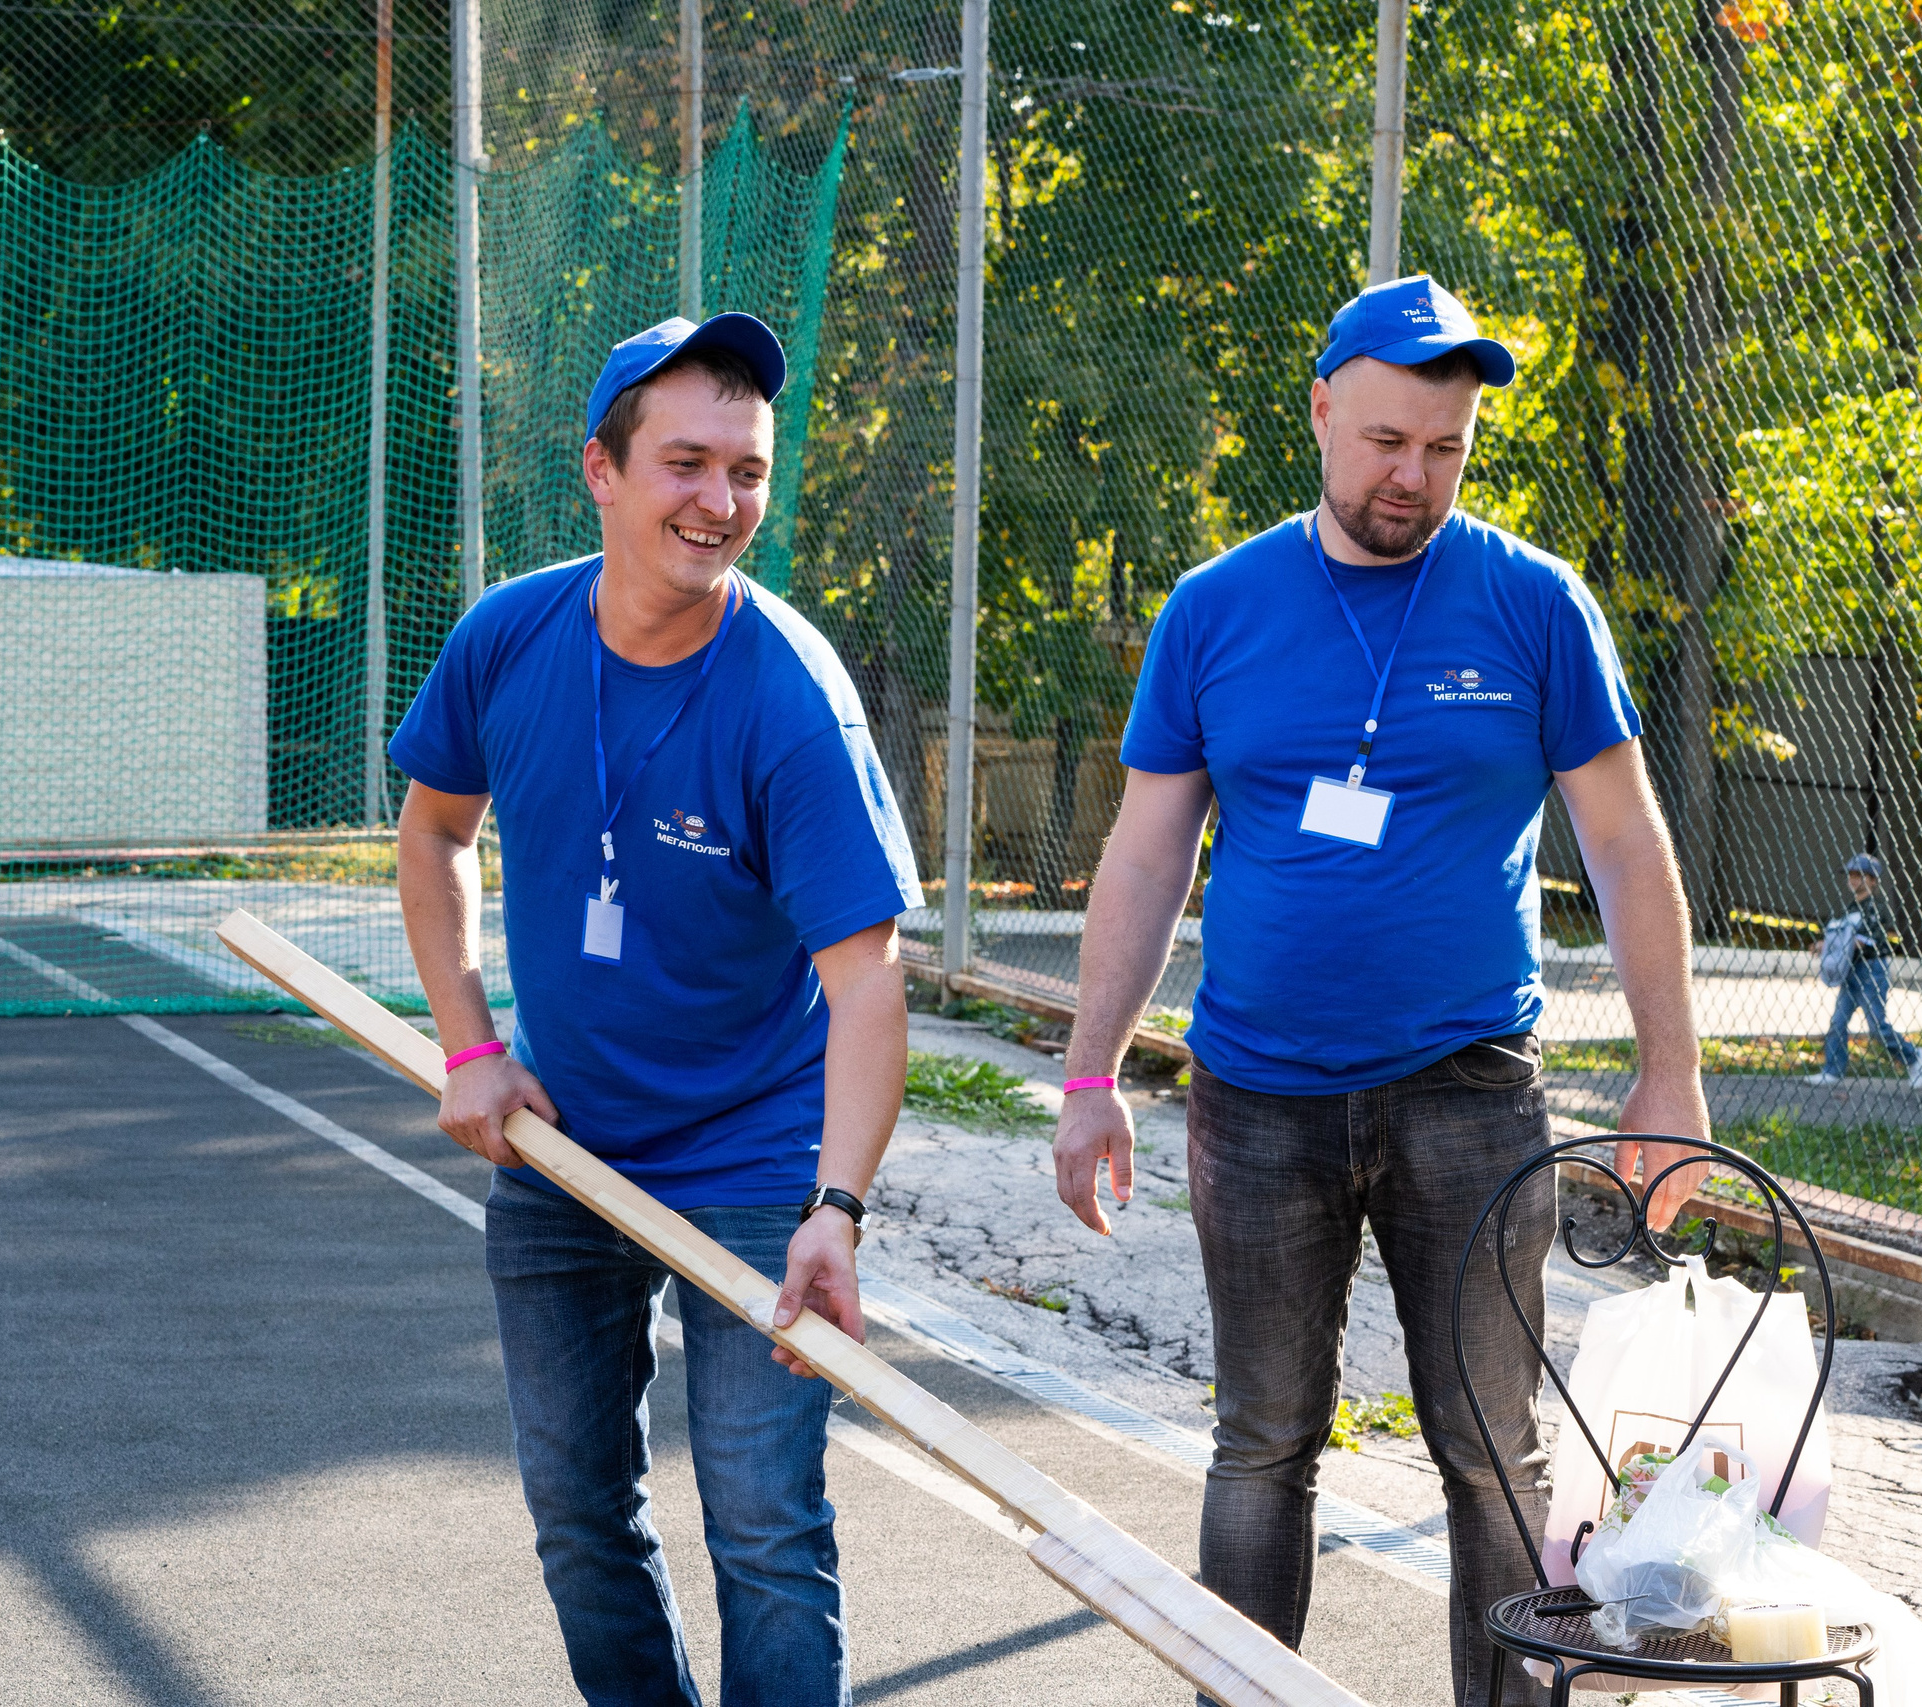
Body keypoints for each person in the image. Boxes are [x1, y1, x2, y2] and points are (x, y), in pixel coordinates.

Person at [1049, 274, 1709, 1707]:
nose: (1415, 474)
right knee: (1264, 1436)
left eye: (1448, 446)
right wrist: (1093, 1073)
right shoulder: (1216, 609)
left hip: (1468, 1090)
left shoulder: (1536, 604)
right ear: (1322, 414)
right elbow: (1149, 851)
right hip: (1258, 1094)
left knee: (1491, 1445)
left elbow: (1624, 839)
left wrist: (1673, 1073)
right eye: (1389, 439)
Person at [389, 312, 922, 1707]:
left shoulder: (792, 702)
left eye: (747, 470)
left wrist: (838, 1206)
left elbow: (866, 980)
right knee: (579, 1514)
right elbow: (435, 826)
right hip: (562, 1145)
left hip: (751, 1165)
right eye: (687, 462)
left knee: (764, 1524)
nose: (721, 501)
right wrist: (471, 1042)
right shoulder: (509, 639)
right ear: (601, 471)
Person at [1805, 852, 1922, 1087]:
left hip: (1871, 969)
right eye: (1850, 875)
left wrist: (1837, 944)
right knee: (1838, 1022)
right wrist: (1827, 944)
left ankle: (1914, 1056)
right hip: (1852, 969)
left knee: (1877, 1027)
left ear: (1872, 879)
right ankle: (1832, 1070)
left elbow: (1867, 939)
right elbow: (1844, 937)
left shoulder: (1876, 906)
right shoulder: (1852, 906)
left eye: (1858, 875)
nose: (1852, 880)